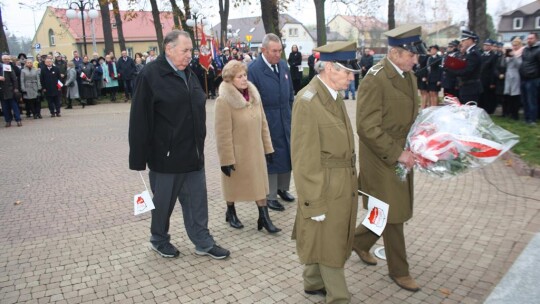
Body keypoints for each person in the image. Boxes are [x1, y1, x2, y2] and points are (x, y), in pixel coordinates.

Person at [129, 29, 230, 260]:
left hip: (193, 154)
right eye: (185, 51)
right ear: (169, 49)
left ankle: (202, 241)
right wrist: (137, 158)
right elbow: (139, 119)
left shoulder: (190, 73)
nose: (189, 56)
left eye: (190, 51)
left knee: (197, 201)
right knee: (163, 204)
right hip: (166, 156)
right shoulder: (150, 75)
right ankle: (159, 239)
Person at [353, 24, 426, 292]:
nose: (415, 59)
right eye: (411, 55)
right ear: (395, 53)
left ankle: (358, 242)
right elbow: (367, 127)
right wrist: (397, 153)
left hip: (401, 152)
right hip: (381, 157)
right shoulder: (376, 78)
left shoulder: (407, 76)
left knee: (383, 211)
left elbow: (409, 115)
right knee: (393, 213)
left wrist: (423, 139)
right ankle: (399, 271)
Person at [291, 41, 360, 303]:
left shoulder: (332, 95)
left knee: (326, 235)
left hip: (341, 182)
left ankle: (312, 281)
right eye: (347, 72)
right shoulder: (308, 100)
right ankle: (338, 297)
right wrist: (313, 202)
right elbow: (303, 158)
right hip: (325, 185)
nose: (351, 77)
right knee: (331, 242)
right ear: (330, 67)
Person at [214, 60, 280, 233]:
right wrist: (226, 160)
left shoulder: (254, 97)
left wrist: (268, 148)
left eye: (245, 75)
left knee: (259, 185)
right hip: (237, 153)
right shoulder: (224, 101)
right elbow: (222, 134)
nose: (244, 79)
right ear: (230, 80)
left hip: (256, 151)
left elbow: (263, 124)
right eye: (239, 76)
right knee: (232, 185)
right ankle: (230, 211)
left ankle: (264, 218)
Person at [247, 33, 295, 212]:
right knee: (272, 156)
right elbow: (251, 100)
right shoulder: (253, 69)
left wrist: (290, 109)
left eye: (280, 51)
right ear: (263, 50)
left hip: (285, 116)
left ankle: (283, 189)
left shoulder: (283, 65)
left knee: (287, 153)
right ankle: (271, 195)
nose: (278, 54)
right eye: (274, 51)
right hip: (267, 119)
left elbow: (290, 91)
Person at [447, 30, 482, 104]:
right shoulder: (469, 52)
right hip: (467, 86)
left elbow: (467, 71)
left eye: (463, 40)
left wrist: (451, 71)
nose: (461, 43)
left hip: (471, 87)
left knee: (469, 110)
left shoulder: (473, 53)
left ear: (470, 40)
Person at [519, 32, 540, 125]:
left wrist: (535, 74)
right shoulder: (525, 49)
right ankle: (526, 118)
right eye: (528, 38)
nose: (529, 40)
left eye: (531, 38)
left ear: (536, 39)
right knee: (525, 100)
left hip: (533, 78)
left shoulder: (538, 50)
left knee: (532, 100)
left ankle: (532, 119)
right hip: (523, 78)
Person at [504, 38, 524, 120]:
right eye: (513, 45)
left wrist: (514, 56)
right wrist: (508, 55)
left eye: (516, 45)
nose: (514, 47)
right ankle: (509, 113)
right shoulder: (510, 52)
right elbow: (506, 63)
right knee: (508, 95)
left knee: (515, 95)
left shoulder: (521, 53)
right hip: (508, 74)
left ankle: (515, 115)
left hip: (515, 75)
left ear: (519, 45)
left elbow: (519, 65)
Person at [0, 56, 22, 127]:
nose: (6, 60)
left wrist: (15, 88)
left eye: (8, 59)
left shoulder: (8, 67)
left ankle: (18, 120)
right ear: (2, 60)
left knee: (14, 106)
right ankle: (8, 121)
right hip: (1, 91)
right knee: (5, 108)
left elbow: (14, 79)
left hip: (10, 90)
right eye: (5, 59)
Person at [479, 39, 498, 113]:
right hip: (481, 78)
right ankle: (481, 108)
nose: (485, 46)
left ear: (491, 46)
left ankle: (488, 110)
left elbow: (493, 69)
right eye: (485, 45)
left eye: (487, 45)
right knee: (481, 95)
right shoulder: (481, 54)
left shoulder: (493, 56)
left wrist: (492, 82)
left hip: (488, 79)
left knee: (488, 95)